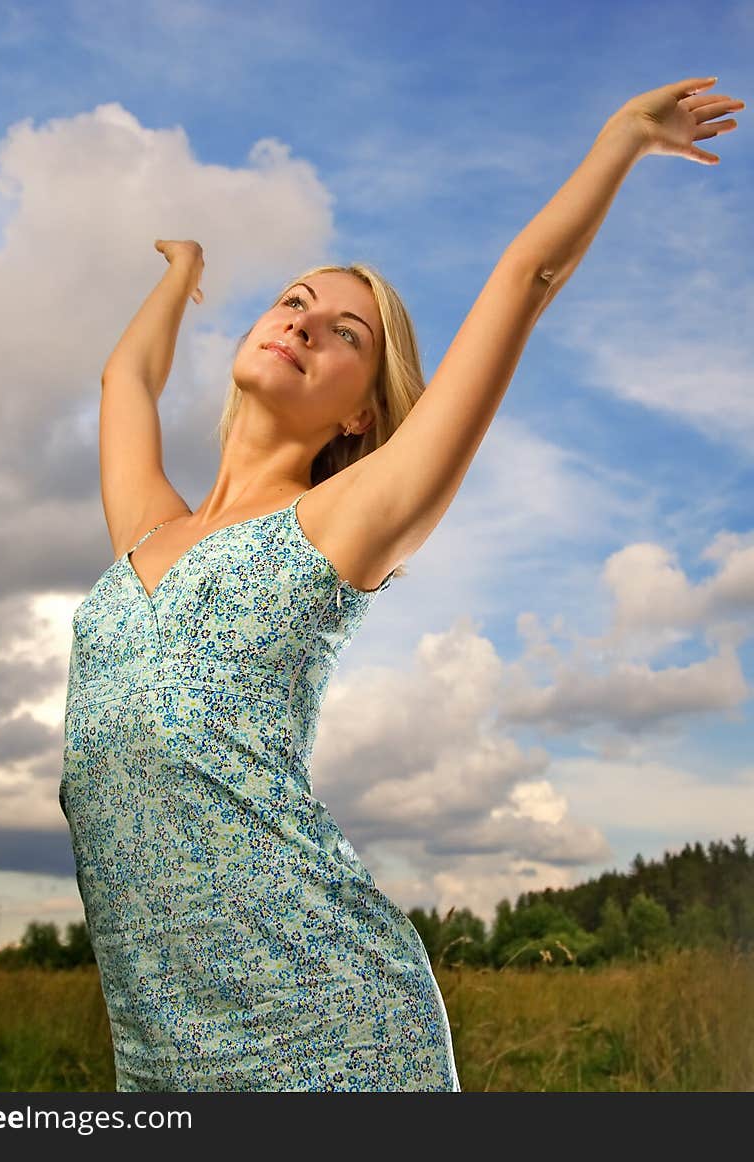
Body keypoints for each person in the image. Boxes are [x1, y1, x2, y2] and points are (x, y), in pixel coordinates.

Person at [59, 76, 743, 1092]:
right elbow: (125, 381)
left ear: (359, 419)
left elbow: (526, 278)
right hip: (162, 1051)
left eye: (346, 332)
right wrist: (183, 268)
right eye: (295, 300)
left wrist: (624, 139)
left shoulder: (344, 520)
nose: (304, 323)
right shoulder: (146, 530)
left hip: (332, 1029)